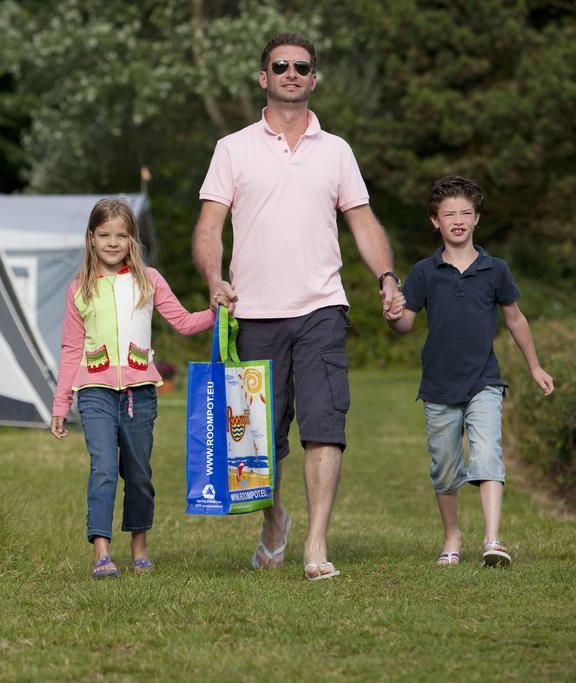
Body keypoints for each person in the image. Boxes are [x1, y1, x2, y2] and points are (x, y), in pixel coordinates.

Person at [192, 32, 403, 580]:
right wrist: (215, 278)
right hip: (253, 313)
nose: (291, 73)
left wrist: (385, 276)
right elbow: (209, 227)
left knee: (324, 424)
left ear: (314, 79)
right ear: (264, 77)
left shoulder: (336, 151)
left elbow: (362, 222)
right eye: (280, 65)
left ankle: (315, 544)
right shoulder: (232, 148)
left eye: (301, 66)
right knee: (257, 444)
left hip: (321, 309)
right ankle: (274, 520)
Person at [386, 175, 554, 568]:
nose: (457, 219)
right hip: (439, 384)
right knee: (445, 468)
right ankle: (452, 536)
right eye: (449, 214)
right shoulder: (424, 272)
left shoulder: (496, 270)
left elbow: (515, 319)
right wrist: (393, 315)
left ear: (477, 218)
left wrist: (534, 365)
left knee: (487, 453)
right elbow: (405, 324)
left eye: (465, 212)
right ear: (435, 222)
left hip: (485, 381)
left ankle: (493, 540)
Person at [51, 198, 217, 579]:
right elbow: (71, 349)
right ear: (91, 239)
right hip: (94, 392)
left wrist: (219, 311)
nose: (113, 242)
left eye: (121, 236)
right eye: (105, 235)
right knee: (104, 467)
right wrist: (61, 403)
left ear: (132, 240)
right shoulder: (79, 288)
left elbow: (185, 322)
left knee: (139, 473)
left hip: (140, 393)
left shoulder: (149, 280)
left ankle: (139, 546)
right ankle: (101, 552)